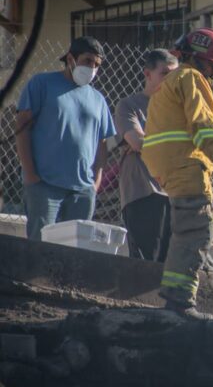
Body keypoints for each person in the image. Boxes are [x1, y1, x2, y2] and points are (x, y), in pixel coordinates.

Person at [141, 28, 213, 320]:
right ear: (195, 58)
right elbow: (202, 125)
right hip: (186, 164)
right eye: (211, 66)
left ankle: (175, 298)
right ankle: (181, 303)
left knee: (186, 232)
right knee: (196, 231)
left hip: (171, 166)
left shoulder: (169, 83)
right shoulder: (192, 78)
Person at [15, 36, 115, 240]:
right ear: (70, 59)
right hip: (44, 185)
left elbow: (102, 143)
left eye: (97, 64)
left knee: (76, 251)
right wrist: (31, 174)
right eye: (88, 61)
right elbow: (22, 128)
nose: (92, 68)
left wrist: (95, 182)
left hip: (82, 190)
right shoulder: (41, 84)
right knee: (41, 246)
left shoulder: (98, 99)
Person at [115, 49, 178, 261]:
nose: (170, 80)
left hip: (175, 194)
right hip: (143, 192)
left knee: (170, 264)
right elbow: (136, 141)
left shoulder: (179, 110)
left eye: (174, 75)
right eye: (164, 73)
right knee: (144, 262)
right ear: (147, 74)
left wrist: (149, 142)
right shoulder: (129, 106)